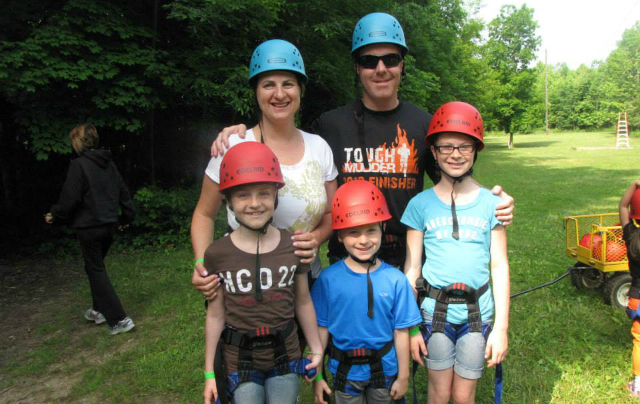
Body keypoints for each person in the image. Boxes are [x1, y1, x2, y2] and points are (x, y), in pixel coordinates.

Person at [207, 13, 514, 274]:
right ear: (357, 67)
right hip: (347, 256)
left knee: (404, 342)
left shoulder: (423, 124)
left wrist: (491, 202)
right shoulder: (330, 125)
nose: (380, 69)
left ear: (402, 65)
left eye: (390, 59)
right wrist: (241, 134)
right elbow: (283, 139)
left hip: (408, 256)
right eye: (369, 61)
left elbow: (453, 182)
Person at [191, 39, 338, 299]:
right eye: (268, 84)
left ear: (300, 90)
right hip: (245, 282)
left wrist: (316, 238)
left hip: (305, 278)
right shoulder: (233, 145)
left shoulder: (319, 147)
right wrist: (202, 263)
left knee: (306, 339)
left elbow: (330, 214)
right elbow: (204, 214)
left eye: (288, 84)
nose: (279, 94)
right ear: (256, 92)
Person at [402, 102, 510, 404]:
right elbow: (412, 270)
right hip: (435, 314)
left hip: (478, 314)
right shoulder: (420, 205)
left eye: (464, 146)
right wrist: (410, 328)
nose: (455, 154)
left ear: (476, 150)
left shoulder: (492, 204)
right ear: (433, 152)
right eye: (446, 146)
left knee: (464, 396)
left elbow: (500, 266)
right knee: (439, 393)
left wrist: (501, 328)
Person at [202, 141, 323, 404]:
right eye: (243, 195)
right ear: (230, 201)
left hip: (286, 355)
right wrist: (210, 372)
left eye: (264, 193)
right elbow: (215, 313)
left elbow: (302, 300)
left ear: (276, 196)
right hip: (240, 360)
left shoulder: (293, 246)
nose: (254, 204)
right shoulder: (217, 253)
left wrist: (316, 348)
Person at [311, 180, 422, 404]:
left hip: (385, 371)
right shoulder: (328, 280)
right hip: (345, 373)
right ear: (340, 236)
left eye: (371, 230)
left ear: (382, 229)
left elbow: (401, 332)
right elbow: (320, 330)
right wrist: (318, 376)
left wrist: (403, 376)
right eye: (353, 232)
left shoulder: (396, 281)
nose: (363, 240)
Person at [45, 124, 135, 335]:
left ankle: (119, 319)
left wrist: (55, 214)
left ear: (77, 142)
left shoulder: (79, 165)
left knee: (95, 269)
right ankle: (98, 310)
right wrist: (126, 217)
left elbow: (70, 198)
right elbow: (123, 192)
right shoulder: (108, 163)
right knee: (95, 268)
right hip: (109, 226)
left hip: (89, 227)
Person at [620, 180, 640, 397]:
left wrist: (634, 187)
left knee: (639, 341)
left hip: (638, 297)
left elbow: (623, 207)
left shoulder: (632, 237)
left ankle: (639, 384)